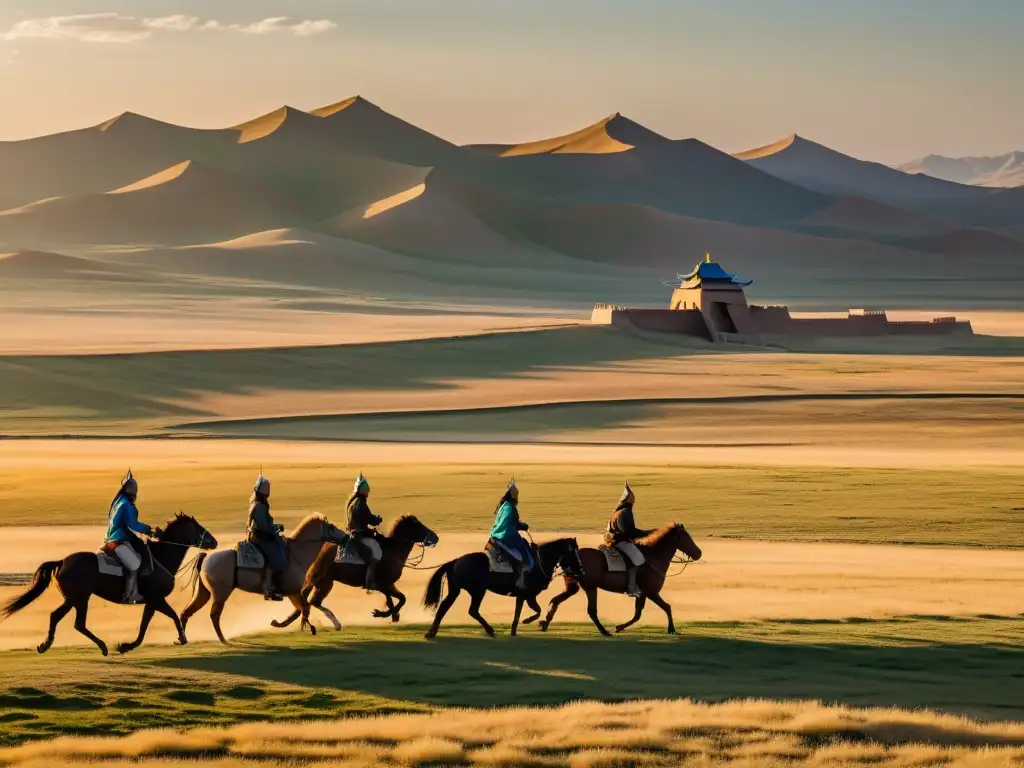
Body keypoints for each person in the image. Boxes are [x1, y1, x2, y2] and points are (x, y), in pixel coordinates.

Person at [104, 468, 157, 604]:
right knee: (134, 564)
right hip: (118, 541)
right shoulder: (126, 505)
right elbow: (132, 524)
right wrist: (148, 530)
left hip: (116, 538)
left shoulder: (119, 502)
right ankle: (130, 595)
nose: (135, 493)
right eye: (134, 490)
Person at [604, 481, 650, 598]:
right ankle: (631, 588)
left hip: (613, 540)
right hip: (620, 541)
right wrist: (646, 533)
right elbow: (629, 531)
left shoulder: (617, 512)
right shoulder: (626, 512)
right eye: (632, 501)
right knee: (638, 560)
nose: (633, 503)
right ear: (628, 501)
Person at [246, 474, 287, 601]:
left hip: (257, 534)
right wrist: (275, 529)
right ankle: (268, 588)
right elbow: (264, 527)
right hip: (260, 537)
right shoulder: (259, 506)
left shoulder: (256, 503)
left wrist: (275, 526)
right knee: (277, 557)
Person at [488, 476, 533, 591]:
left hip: (496, 535)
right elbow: (509, 525)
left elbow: (508, 522)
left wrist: (519, 525)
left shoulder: (504, 506)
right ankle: (520, 582)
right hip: (504, 537)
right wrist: (521, 526)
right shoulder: (510, 508)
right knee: (520, 556)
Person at [346, 472, 383, 590]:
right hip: (360, 535)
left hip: (356, 533)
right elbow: (370, 519)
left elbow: (366, 517)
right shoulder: (360, 504)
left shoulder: (353, 503)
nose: (368, 491)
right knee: (376, 554)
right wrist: (377, 519)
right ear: (361, 490)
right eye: (367, 489)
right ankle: (369, 583)